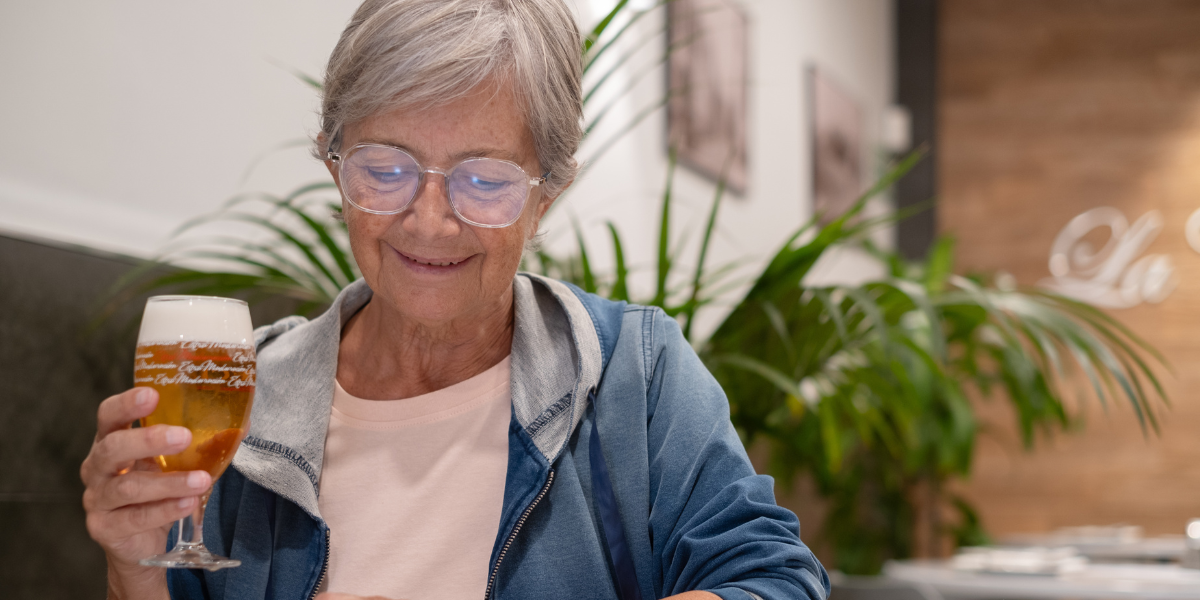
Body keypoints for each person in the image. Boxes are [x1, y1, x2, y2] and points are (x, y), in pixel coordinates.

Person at [80, 1, 830, 598]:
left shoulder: (636, 370)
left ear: (547, 197)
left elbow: (773, 579)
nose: (429, 221)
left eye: (485, 179)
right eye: (385, 168)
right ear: (332, 161)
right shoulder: (246, 392)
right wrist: (138, 570)